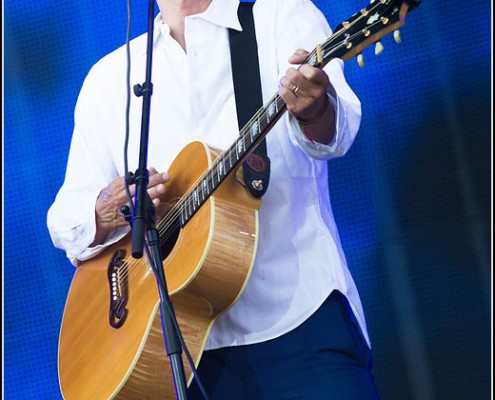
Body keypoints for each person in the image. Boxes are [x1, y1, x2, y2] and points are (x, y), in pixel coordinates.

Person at [47, 0, 379, 398]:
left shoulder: (280, 14)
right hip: (185, 359)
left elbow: (335, 135)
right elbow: (65, 219)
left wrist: (315, 110)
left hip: (300, 324)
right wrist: (105, 211)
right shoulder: (110, 79)